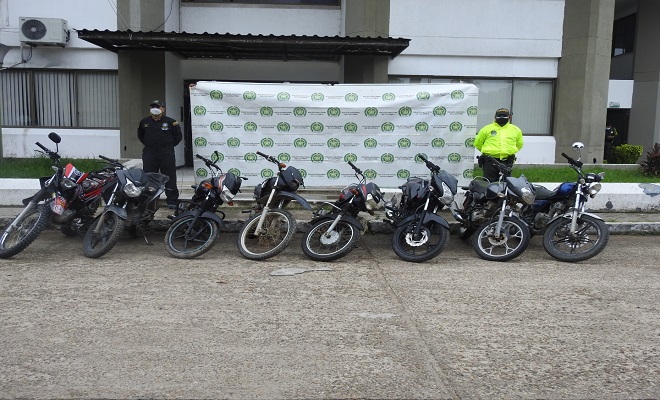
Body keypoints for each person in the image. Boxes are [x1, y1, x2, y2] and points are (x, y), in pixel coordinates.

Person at [137, 100, 183, 208]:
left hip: (166, 153)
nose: (155, 108)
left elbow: (178, 137)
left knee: (169, 176)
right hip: (150, 152)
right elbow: (141, 135)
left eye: (157, 107)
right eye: (152, 106)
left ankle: (171, 200)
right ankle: (150, 199)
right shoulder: (144, 122)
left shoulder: (171, 122)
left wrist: (167, 146)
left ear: (163, 109)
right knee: (150, 176)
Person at [474, 108, 524, 182]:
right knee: (489, 184)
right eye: (499, 116)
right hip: (490, 162)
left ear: (509, 117)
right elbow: (478, 144)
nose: (502, 118)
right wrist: (489, 152)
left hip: (507, 161)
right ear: (495, 117)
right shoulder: (486, 129)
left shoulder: (515, 130)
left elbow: (519, 144)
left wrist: (509, 151)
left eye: (504, 116)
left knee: (505, 184)